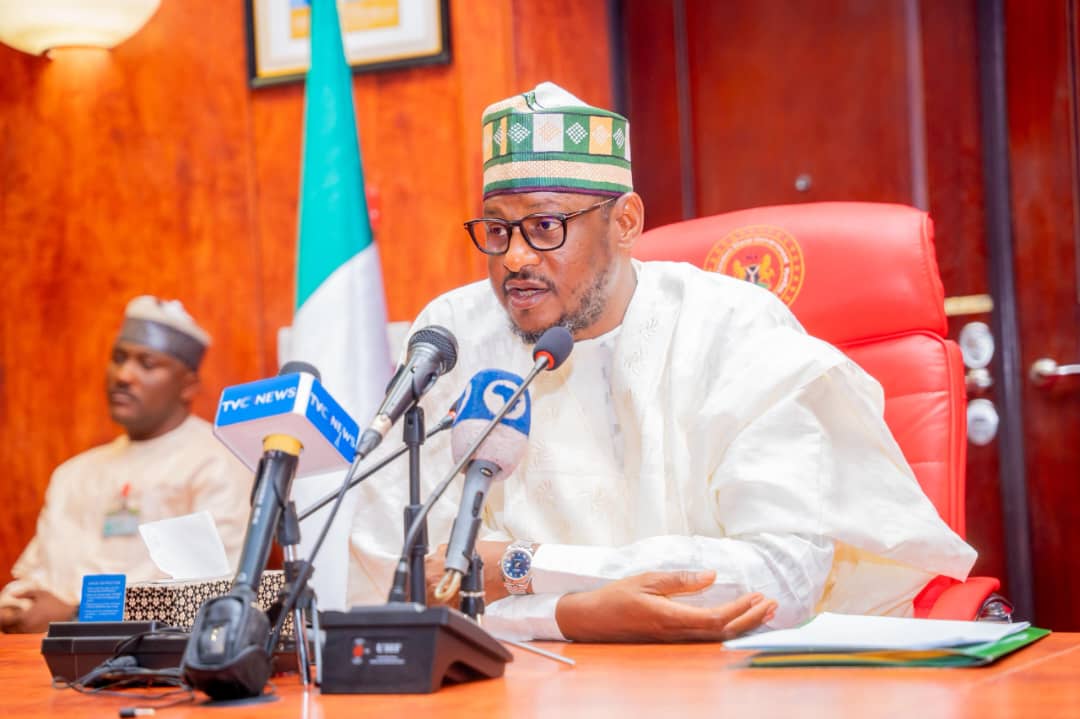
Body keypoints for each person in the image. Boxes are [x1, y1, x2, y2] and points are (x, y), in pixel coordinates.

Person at [346, 82, 976, 642]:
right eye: (497, 230)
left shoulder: (734, 330)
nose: (514, 258)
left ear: (625, 222)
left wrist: (523, 568)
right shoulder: (456, 334)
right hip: (518, 685)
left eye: (545, 227)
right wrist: (574, 614)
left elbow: (779, 579)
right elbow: (400, 579)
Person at [0, 296, 254, 633]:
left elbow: (210, 592)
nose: (123, 376)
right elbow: (33, 579)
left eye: (147, 364)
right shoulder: (73, 474)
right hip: (39, 652)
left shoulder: (219, 462)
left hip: (152, 658)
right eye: (118, 359)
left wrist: (75, 614)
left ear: (188, 385)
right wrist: (15, 609)